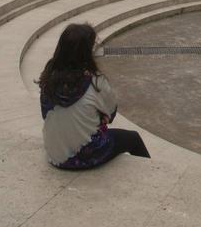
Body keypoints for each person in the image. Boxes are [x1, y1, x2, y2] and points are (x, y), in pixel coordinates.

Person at [38, 23, 150, 169]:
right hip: (84, 156)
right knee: (133, 138)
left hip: (54, 154)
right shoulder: (95, 81)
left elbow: (45, 113)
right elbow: (111, 113)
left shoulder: (48, 78)